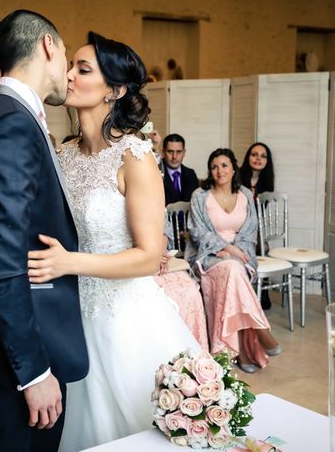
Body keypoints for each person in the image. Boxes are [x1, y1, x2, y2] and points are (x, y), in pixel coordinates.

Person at [27, 31, 200, 451]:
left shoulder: (135, 157)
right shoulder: (63, 156)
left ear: (115, 90)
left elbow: (147, 256)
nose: (68, 76)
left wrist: (70, 263)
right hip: (70, 317)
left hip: (125, 320)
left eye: (83, 69)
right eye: (71, 66)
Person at [0, 10, 88, 452]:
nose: (67, 68)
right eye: (66, 53)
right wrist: (33, 371)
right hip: (22, 354)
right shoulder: (12, 123)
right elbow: (3, 260)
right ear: (48, 45)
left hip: (9, 342)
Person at [186, 148, 281, 374]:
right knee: (232, 269)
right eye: (214, 166)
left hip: (241, 254)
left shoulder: (246, 195)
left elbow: (250, 230)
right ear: (210, 171)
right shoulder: (200, 196)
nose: (220, 171)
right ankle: (259, 332)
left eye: (224, 165)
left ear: (234, 168)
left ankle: (242, 352)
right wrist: (226, 248)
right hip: (209, 257)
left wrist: (237, 251)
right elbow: (198, 232)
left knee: (234, 270)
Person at [155, 210, 209, 350]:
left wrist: (159, 253)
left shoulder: (148, 191)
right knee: (162, 298)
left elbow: (164, 229)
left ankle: (192, 360)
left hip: (158, 258)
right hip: (126, 263)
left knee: (190, 291)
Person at [239, 142, 275, 309]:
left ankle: (263, 295)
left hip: (254, 225)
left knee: (263, 247)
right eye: (254, 154)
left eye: (263, 156)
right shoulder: (238, 176)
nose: (258, 159)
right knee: (255, 246)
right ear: (248, 157)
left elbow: (259, 213)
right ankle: (244, 294)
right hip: (237, 223)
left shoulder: (266, 182)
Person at [161, 133, 199, 205]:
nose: (174, 156)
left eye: (178, 152)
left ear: (184, 153)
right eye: (170, 151)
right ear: (163, 152)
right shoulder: (156, 173)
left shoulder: (191, 174)